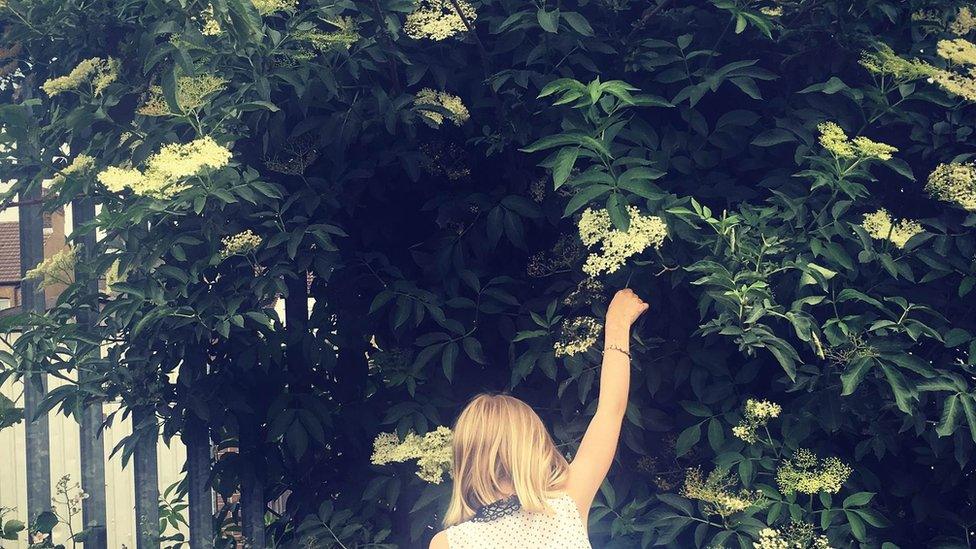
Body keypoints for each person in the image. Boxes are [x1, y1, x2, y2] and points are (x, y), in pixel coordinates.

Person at [429, 288, 649, 549]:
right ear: (535, 447)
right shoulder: (568, 503)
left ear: (466, 459)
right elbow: (610, 411)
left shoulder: (449, 543)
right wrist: (617, 324)